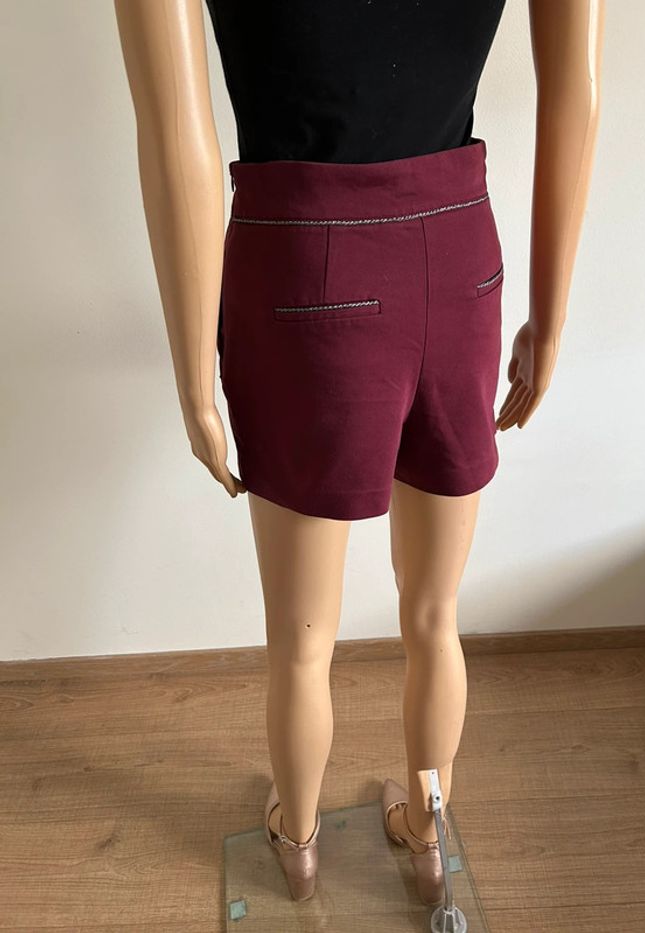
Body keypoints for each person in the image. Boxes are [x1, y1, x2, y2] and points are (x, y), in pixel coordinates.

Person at [114, 0, 604, 906]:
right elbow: (576, 88)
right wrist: (550, 315)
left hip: (303, 269)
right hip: (461, 264)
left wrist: (194, 375)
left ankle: (296, 839)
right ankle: (426, 832)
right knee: (436, 613)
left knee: (302, 642)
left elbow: (174, 126)